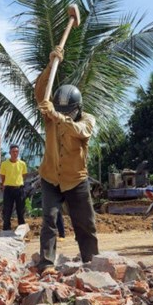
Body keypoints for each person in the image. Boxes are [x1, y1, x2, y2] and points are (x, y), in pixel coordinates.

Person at [35, 46, 98, 274]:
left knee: (85, 224)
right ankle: (47, 264)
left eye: (68, 111)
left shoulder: (87, 119)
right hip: (50, 176)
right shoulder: (49, 115)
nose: (64, 114)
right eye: (61, 110)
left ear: (77, 109)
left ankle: (92, 263)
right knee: (49, 220)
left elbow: (80, 131)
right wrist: (51, 64)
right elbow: (41, 90)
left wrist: (57, 115)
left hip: (76, 180)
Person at [0, 144, 28, 231]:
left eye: (17, 152)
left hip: (19, 189)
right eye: (13, 152)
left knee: (21, 210)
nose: (15, 153)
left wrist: (18, 183)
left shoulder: (22, 164)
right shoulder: (4, 164)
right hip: (8, 189)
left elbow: (24, 175)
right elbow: (2, 177)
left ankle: (21, 229)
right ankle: (6, 228)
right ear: (10, 152)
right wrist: (4, 185)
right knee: (7, 210)